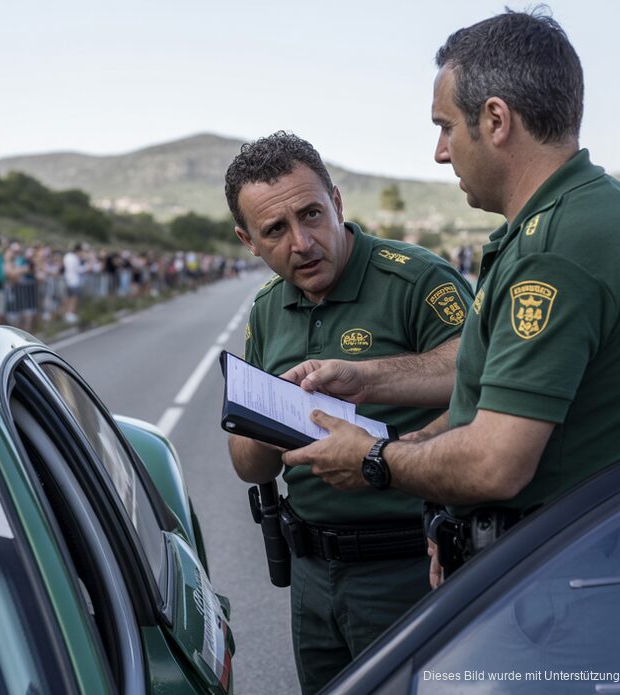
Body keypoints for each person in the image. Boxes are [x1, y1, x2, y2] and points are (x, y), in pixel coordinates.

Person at [279, 10, 620, 687]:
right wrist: (447, 515)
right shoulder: (608, 208)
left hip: (551, 593)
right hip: (578, 570)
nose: (439, 151)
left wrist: (374, 458)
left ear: (496, 120)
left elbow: (497, 462)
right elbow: (495, 400)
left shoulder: (556, 251)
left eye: (445, 126)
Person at [224, 132, 472, 694]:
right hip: (312, 574)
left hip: (411, 568)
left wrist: (371, 391)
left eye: (311, 214)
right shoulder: (266, 311)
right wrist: (270, 417)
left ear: (337, 203)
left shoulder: (416, 280)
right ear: (249, 241)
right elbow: (249, 465)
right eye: (275, 231)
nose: (303, 242)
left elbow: (481, 375)